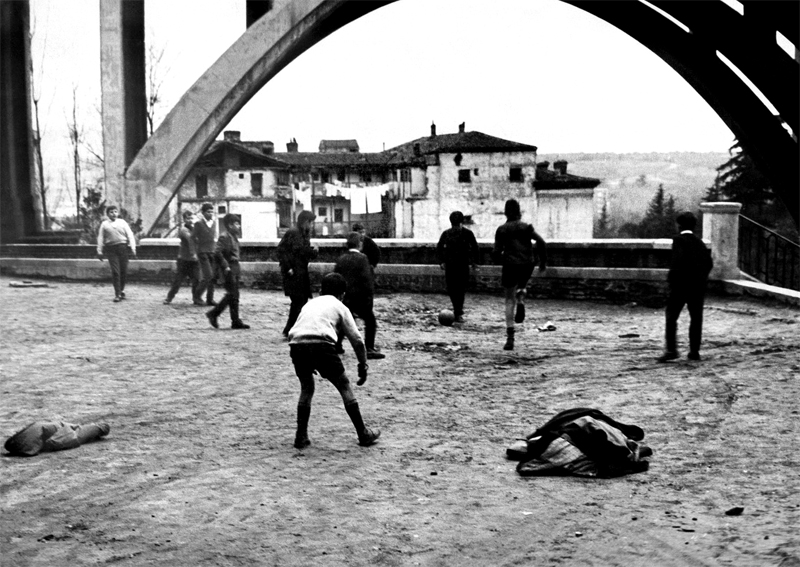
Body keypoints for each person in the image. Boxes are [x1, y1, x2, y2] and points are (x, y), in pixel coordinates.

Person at [288, 272, 380, 449]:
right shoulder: (340, 306)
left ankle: (301, 436)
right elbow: (358, 341)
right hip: (321, 345)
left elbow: (300, 327)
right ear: (343, 294)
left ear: (321, 290)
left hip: (297, 345)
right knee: (344, 385)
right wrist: (363, 364)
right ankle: (363, 433)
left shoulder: (310, 303)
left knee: (307, 388)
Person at [658, 211, 714, 362]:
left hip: (681, 286)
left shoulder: (678, 240)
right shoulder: (699, 242)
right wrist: (701, 280)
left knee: (671, 317)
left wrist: (671, 281)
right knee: (696, 319)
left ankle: (671, 350)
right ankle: (694, 352)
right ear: (694, 226)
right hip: (697, 287)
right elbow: (709, 263)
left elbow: (677, 261)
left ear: (679, 225)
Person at [492, 199, 547, 350]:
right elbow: (541, 242)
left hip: (510, 264)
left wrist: (498, 257)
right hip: (527, 264)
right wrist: (542, 262)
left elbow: (496, 252)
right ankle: (521, 299)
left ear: (505, 212)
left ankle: (510, 337)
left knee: (509, 300)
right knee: (521, 285)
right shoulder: (526, 227)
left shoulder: (502, 229)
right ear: (519, 211)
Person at [334, 232, 385, 359]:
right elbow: (366, 280)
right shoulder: (363, 259)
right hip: (360, 297)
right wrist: (369, 298)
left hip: (346, 297)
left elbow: (336, 278)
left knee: (344, 322)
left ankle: (337, 345)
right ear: (359, 244)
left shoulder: (341, 258)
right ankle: (369, 348)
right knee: (370, 322)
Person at [277, 210, 318, 338]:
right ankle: (291, 330)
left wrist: (314, 251)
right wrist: (288, 267)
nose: (311, 226)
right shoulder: (293, 233)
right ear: (305, 222)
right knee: (298, 301)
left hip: (301, 272)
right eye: (310, 223)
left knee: (301, 301)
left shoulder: (303, 234)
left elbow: (302, 251)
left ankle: (292, 329)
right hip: (293, 273)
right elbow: (281, 251)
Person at [206, 213, 250, 330]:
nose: (239, 226)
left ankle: (234, 320)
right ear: (230, 225)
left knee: (234, 295)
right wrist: (226, 266)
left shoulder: (233, 236)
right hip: (228, 268)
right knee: (232, 294)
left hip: (234, 267)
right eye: (236, 223)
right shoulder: (224, 236)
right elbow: (217, 252)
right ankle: (215, 314)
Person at [437, 211, 479, 323]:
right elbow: (439, 248)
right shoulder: (448, 234)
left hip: (460, 265)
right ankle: (457, 311)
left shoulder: (466, 234)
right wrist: (441, 261)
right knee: (453, 289)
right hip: (454, 265)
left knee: (458, 289)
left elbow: (475, 248)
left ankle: (458, 311)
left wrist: (474, 261)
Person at [97, 204, 137, 302]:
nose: (114, 214)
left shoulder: (122, 222)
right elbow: (100, 237)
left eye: (115, 211)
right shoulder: (104, 224)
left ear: (117, 213)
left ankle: (121, 290)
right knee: (116, 271)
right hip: (111, 249)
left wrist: (133, 248)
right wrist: (99, 251)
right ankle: (117, 294)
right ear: (107, 214)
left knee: (123, 271)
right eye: (111, 212)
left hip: (123, 248)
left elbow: (130, 235)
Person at [164, 210, 202, 305]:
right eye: (188, 218)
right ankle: (169, 297)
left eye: (191, 218)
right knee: (178, 281)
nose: (190, 220)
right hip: (184, 260)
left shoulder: (194, 229)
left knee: (197, 279)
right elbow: (190, 240)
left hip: (194, 260)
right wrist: (193, 253)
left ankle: (196, 298)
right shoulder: (183, 230)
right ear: (184, 219)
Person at [192, 203, 218, 306]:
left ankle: (210, 299)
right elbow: (193, 237)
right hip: (202, 252)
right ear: (203, 213)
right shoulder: (198, 223)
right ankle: (197, 297)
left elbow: (215, 237)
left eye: (212, 211)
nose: (210, 213)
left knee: (213, 276)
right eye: (208, 212)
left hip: (212, 251)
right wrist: (198, 246)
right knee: (208, 275)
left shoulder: (214, 222)